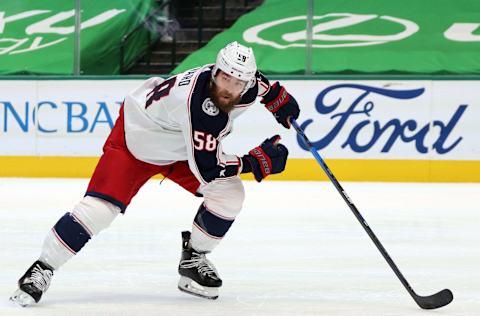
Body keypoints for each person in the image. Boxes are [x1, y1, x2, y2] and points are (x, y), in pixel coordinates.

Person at [10, 41, 300, 306]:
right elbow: (209, 168)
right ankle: (42, 268)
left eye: (238, 82)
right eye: (225, 78)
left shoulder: (245, 82)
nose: (229, 87)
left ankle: (193, 258)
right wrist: (255, 162)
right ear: (214, 72)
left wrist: (276, 96)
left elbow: (258, 82)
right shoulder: (199, 105)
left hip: (178, 146)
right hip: (137, 141)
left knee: (230, 194)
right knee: (98, 210)